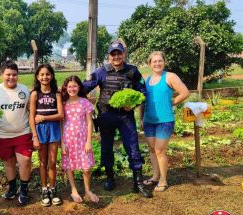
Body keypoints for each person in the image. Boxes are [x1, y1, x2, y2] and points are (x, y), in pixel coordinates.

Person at [83, 41, 152, 198]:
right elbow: (85, 87)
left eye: (119, 53)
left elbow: (143, 93)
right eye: (113, 54)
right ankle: (109, 178)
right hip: (106, 115)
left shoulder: (133, 71)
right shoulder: (101, 72)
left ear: (124, 54)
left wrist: (133, 104)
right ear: (109, 56)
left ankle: (138, 183)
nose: (116, 56)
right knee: (107, 147)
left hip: (125, 116)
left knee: (132, 146)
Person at [141, 51, 190, 192]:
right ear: (149, 64)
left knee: (159, 150)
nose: (157, 63)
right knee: (152, 149)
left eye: (159, 61)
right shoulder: (147, 79)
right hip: (149, 120)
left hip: (165, 120)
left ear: (164, 62)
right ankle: (155, 176)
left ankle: (163, 180)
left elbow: (185, 92)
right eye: (154, 61)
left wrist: (172, 103)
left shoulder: (170, 77)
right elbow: (143, 101)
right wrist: (141, 118)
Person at [0, 60, 33, 205]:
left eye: (14, 74)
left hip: (22, 132)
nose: (11, 77)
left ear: (17, 75)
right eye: (8, 74)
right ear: (1, 75)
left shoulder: (25, 90)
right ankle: (12, 187)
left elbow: (30, 111)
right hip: (2, 134)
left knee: (25, 161)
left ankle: (24, 189)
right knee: (8, 162)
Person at [29, 64, 64, 207]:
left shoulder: (56, 93)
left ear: (52, 76)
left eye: (48, 74)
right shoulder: (35, 94)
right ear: (37, 77)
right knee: (43, 162)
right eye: (42, 74)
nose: (45, 77)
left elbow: (61, 115)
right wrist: (35, 136)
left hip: (53, 129)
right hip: (40, 131)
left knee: (52, 162)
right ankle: (44, 189)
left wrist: (43, 117)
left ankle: (53, 188)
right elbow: (31, 117)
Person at [61, 75, 99, 203]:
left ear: (79, 87)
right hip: (68, 139)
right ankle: (74, 190)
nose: (72, 88)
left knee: (86, 168)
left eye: (75, 86)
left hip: (83, 140)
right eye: (70, 86)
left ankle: (88, 190)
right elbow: (61, 124)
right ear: (66, 88)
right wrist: (62, 143)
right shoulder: (63, 104)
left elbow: (89, 123)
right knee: (69, 166)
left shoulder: (85, 102)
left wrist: (89, 141)